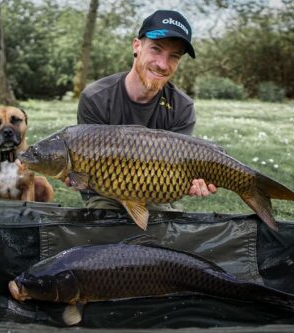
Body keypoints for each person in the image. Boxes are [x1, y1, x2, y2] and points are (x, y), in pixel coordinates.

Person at [76, 9, 217, 210]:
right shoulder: (96, 97)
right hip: (105, 193)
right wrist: (76, 175)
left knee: (160, 222)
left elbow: (177, 174)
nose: (162, 64)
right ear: (137, 46)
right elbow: (85, 164)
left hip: (154, 193)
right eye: (156, 49)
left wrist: (191, 182)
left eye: (174, 56)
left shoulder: (182, 107)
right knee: (101, 216)